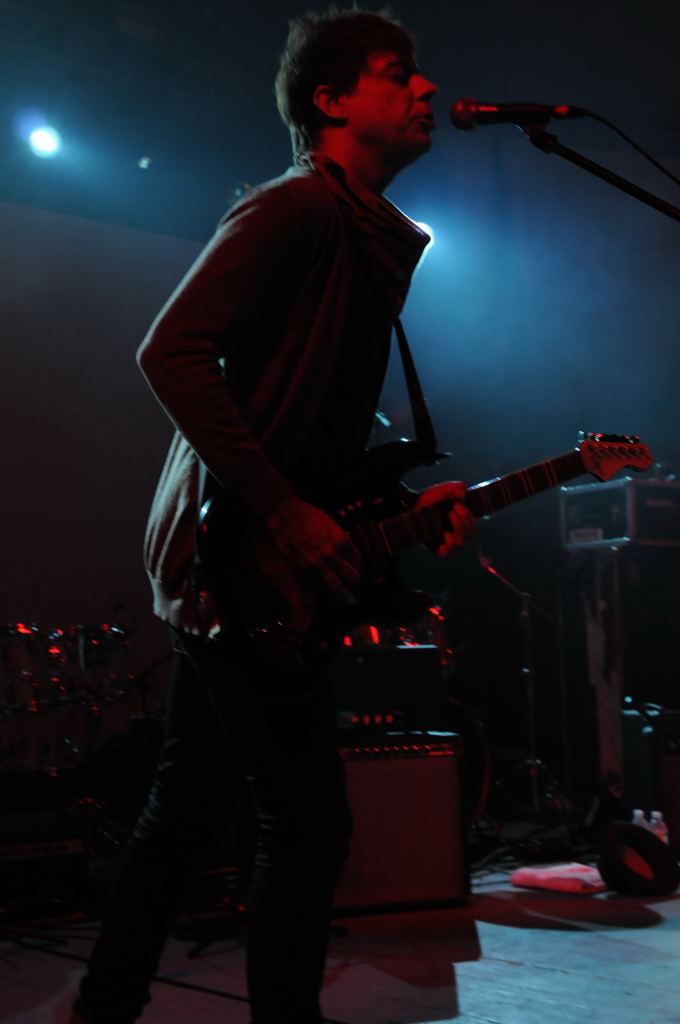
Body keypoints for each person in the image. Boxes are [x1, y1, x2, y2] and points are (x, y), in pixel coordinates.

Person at [71, 7, 476, 1023]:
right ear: (330, 101)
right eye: (397, 72)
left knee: (184, 809)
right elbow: (169, 351)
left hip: (254, 551)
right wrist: (281, 509)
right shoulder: (295, 208)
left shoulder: (362, 232)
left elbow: (315, 421)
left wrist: (394, 504)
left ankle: (103, 1004)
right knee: (306, 822)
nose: (425, 87)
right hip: (234, 549)